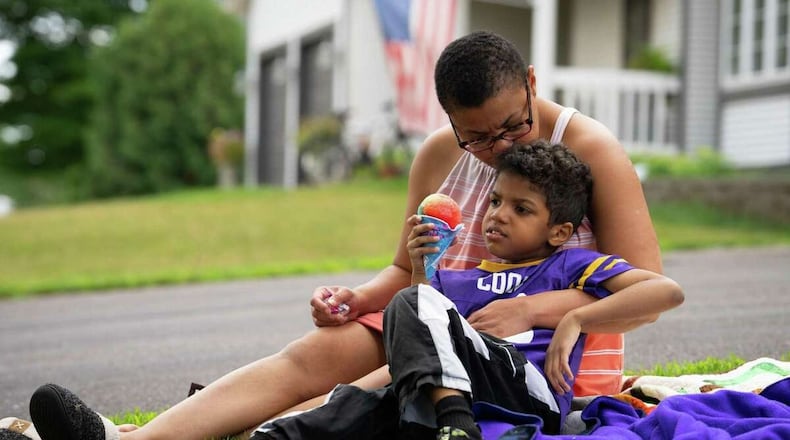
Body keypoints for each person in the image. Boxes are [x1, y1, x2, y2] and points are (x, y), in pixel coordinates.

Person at [21, 31, 663, 440]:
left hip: (530, 347)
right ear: (449, 121)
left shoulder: (586, 148)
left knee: (365, 393)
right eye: (478, 137)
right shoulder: (440, 155)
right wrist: (357, 299)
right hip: (431, 310)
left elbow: (647, 290)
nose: (496, 150)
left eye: (511, 129)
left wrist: (531, 306)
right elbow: (399, 270)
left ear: (529, 84)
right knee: (311, 356)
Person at [238, 140, 683, 440]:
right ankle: (278, 433)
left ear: (558, 230)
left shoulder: (568, 264)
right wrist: (418, 266)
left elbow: (664, 291)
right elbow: (420, 335)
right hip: (461, 389)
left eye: (521, 208)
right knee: (379, 386)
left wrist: (576, 318)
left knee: (411, 310)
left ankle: (455, 424)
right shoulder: (456, 279)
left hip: (529, 393)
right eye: (494, 201)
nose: (498, 215)